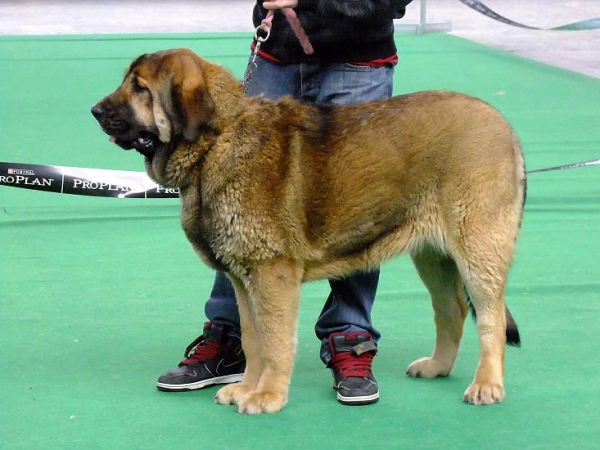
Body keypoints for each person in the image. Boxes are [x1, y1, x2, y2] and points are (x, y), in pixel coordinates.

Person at [157, 0, 414, 406]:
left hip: (359, 57)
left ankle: (350, 338)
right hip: (276, 55)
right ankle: (230, 336)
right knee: (232, 201)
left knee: (359, 201)